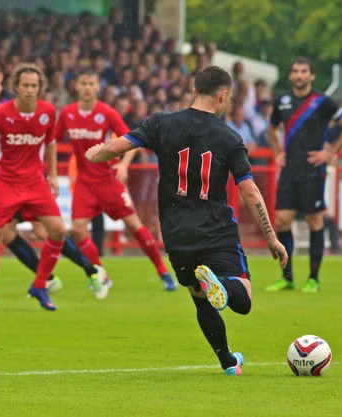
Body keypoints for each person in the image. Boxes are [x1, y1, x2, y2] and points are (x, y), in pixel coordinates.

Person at [85, 65, 288, 375]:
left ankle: (229, 363)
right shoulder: (230, 137)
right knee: (242, 300)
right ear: (223, 95)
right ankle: (221, 284)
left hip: (177, 232)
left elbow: (117, 147)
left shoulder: (162, 123)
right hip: (215, 229)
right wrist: (272, 237)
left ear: (194, 91)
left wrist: (96, 154)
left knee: (200, 299)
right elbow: (249, 190)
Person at [0, 63, 107, 311]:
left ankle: (44, 283)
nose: (29, 90)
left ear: (40, 88)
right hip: (4, 183)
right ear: (15, 87)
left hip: (34, 182)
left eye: (33, 86)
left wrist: (53, 176)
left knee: (55, 230)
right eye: (25, 86)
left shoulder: (47, 112)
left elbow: (50, 143)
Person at [54, 69, 177, 291]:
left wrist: (123, 164)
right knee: (78, 230)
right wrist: (50, 172)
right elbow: (51, 141)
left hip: (109, 180)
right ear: (77, 86)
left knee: (133, 225)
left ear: (97, 87)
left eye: (92, 83)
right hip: (83, 183)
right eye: (84, 83)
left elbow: (133, 139)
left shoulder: (107, 113)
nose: (88, 87)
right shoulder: (67, 114)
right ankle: (101, 274)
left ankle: (163, 271)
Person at [264, 57, 342, 293]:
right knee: (282, 221)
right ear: (291, 75)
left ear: (312, 76)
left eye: (304, 71)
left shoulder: (322, 101)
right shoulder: (282, 100)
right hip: (288, 171)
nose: (299, 75)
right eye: (295, 71)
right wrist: (277, 152)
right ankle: (287, 278)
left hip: (312, 171)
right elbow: (272, 126)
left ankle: (313, 279)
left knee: (314, 221)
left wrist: (330, 151)